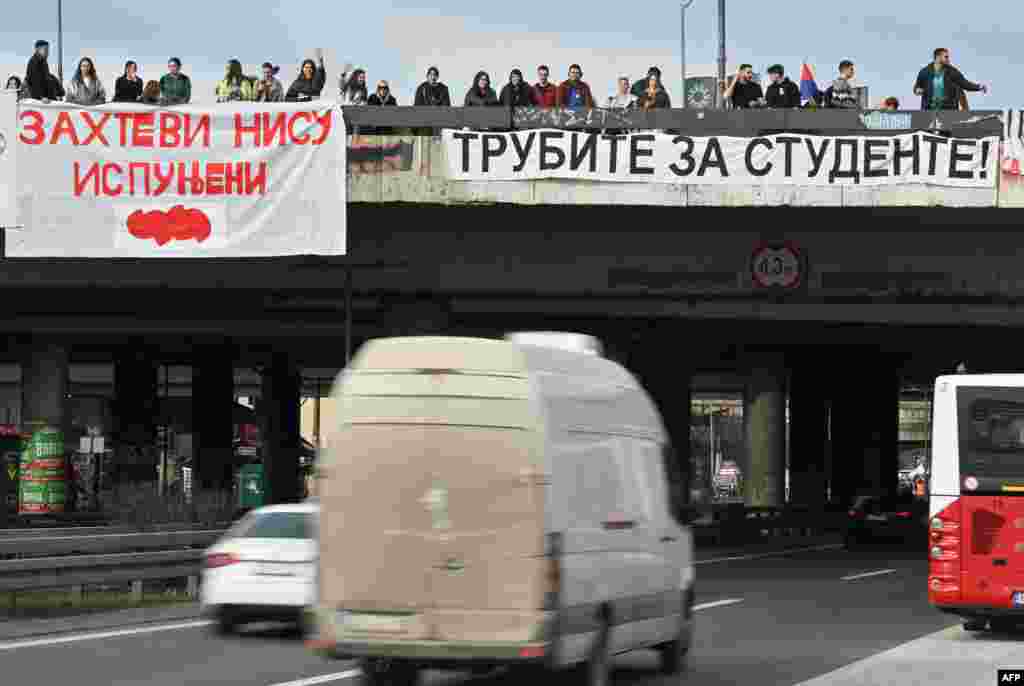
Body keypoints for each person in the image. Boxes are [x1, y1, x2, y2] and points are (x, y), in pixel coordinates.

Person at [914, 48, 987, 111]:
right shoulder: (925, 72)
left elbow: (965, 84)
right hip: (929, 109)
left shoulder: (952, 72)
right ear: (938, 57)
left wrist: (979, 87)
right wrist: (917, 90)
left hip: (948, 110)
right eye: (946, 57)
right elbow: (916, 87)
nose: (948, 59)